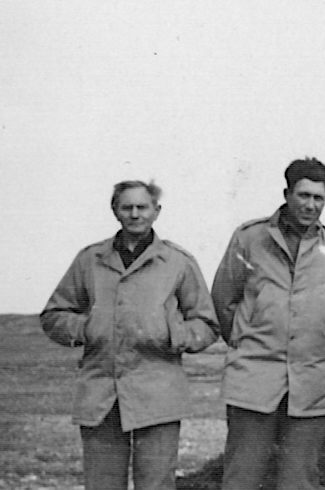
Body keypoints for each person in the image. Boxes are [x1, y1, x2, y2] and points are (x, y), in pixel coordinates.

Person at [40, 180, 220, 490]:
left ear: (156, 211)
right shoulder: (90, 260)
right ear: (115, 211)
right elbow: (54, 315)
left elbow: (207, 323)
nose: (135, 214)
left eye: (142, 207)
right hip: (101, 393)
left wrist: (174, 334)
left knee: (156, 483)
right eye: (127, 207)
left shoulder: (177, 262)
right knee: (102, 484)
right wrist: (87, 327)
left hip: (158, 392)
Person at [212, 157, 325, 490]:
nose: (310, 205)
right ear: (287, 194)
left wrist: (317, 348)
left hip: (310, 386)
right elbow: (223, 300)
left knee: (300, 480)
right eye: (303, 195)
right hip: (253, 382)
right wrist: (248, 343)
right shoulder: (249, 239)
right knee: (242, 478)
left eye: (318, 198)